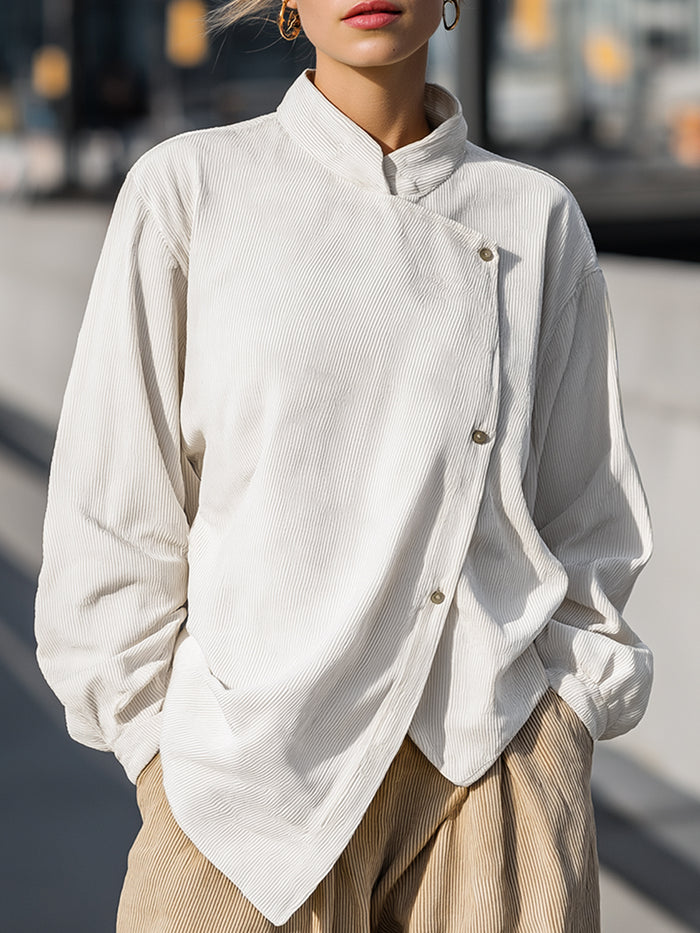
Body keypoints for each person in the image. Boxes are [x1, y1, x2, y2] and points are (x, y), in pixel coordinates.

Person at [34, 1, 654, 930]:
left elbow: (589, 520)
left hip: (481, 780)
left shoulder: (537, 218)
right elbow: (112, 516)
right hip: (240, 800)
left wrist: (557, 734)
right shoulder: (192, 191)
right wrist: (162, 757)